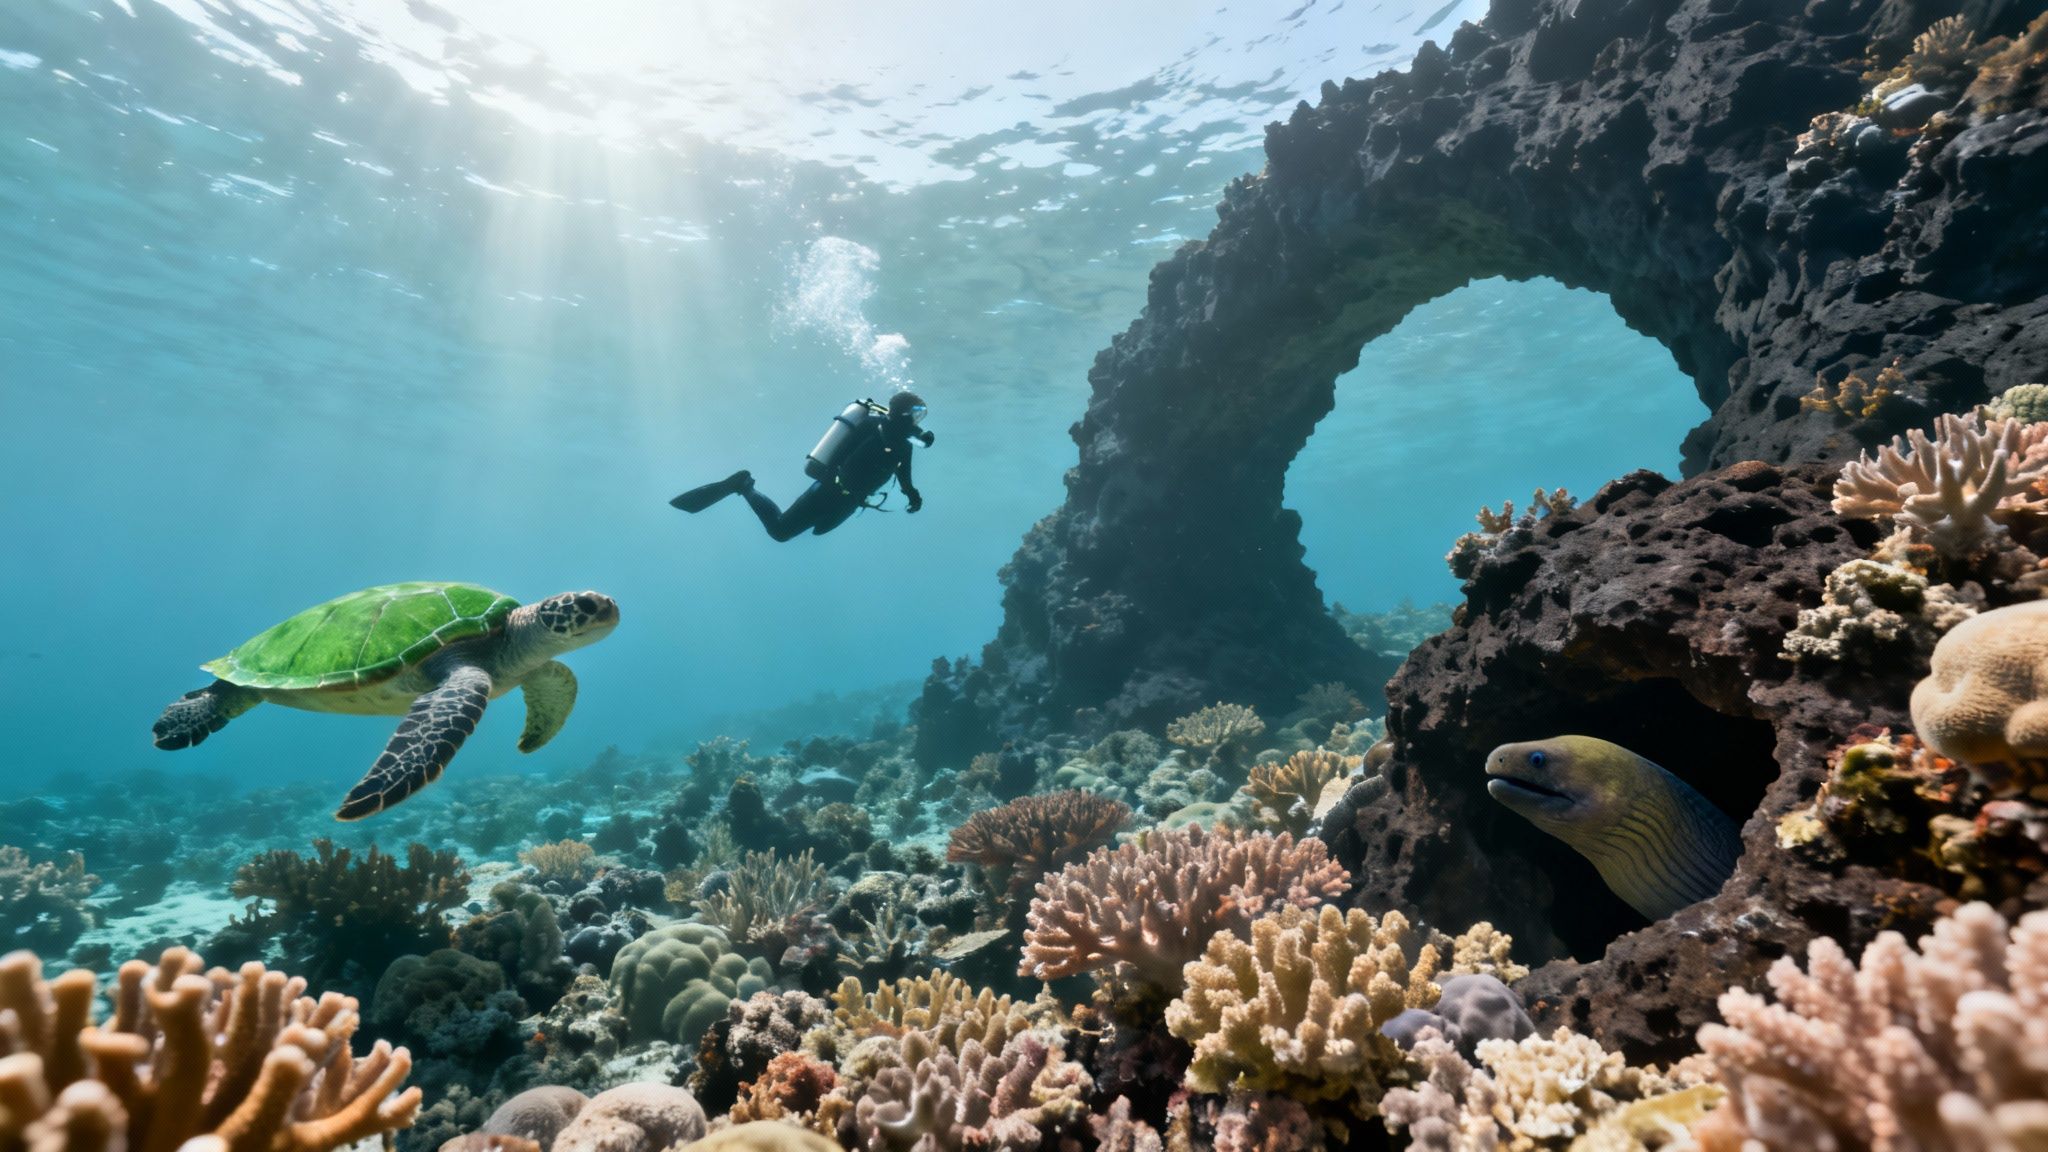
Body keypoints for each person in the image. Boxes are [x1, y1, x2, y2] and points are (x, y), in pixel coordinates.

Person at [671, 391, 934, 540]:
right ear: (901, 413)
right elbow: (838, 456)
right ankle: (744, 485)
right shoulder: (870, 426)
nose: (917, 420)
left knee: (807, 532)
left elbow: (903, 473)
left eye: (921, 414)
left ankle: (744, 486)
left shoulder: (905, 444)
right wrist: (831, 480)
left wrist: (912, 494)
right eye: (915, 413)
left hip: (850, 501)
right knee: (780, 531)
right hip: (829, 491)